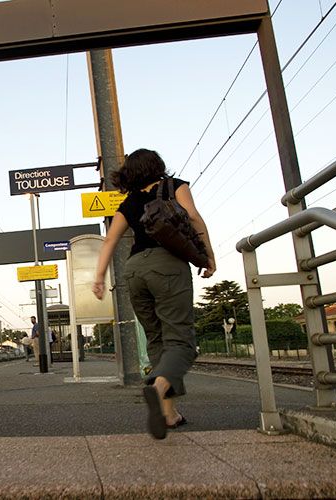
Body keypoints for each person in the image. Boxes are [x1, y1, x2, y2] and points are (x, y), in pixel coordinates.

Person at [92, 148, 215, 440]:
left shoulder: (129, 202)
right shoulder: (175, 187)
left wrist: (98, 276)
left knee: (158, 341)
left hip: (134, 271)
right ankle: (158, 387)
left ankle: (169, 413)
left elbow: (110, 239)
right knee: (181, 341)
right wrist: (208, 256)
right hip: (167, 265)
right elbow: (194, 218)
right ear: (157, 166)